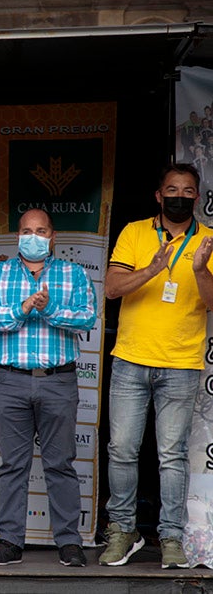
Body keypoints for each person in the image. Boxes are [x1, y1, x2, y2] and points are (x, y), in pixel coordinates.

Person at [101, 163, 213, 569]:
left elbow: (212, 301)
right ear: (158, 195)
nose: (179, 196)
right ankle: (123, 529)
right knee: (122, 451)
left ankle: (170, 538)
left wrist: (199, 269)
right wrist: (151, 268)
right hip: (132, 358)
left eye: (187, 190)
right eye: (172, 189)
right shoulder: (134, 233)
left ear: (197, 198)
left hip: (181, 363)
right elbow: (112, 288)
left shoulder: (209, 241)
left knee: (172, 455)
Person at [0, 208, 97, 567]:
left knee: (60, 463)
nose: (33, 236)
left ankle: (69, 542)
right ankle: (10, 541)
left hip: (58, 379)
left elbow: (87, 317)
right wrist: (24, 306)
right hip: (10, 380)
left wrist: (48, 307)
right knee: (12, 465)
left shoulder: (73, 274)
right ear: (17, 236)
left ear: (52, 237)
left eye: (41, 230)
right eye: (27, 230)